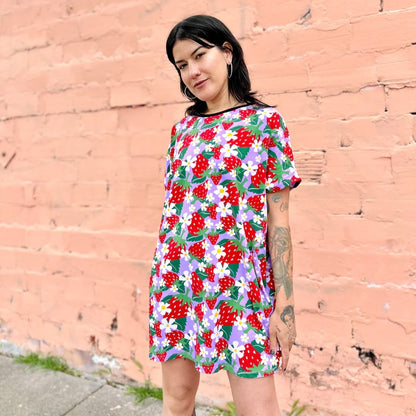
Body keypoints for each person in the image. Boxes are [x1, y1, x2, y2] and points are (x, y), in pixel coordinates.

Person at [148, 15, 301, 416]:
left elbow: (278, 224)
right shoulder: (182, 131)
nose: (193, 71)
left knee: (259, 409)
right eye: (182, 64)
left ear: (227, 52)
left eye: (200, 55)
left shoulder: (265, 124)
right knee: (177, 400)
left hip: (241, 288)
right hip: (177, 283)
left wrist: (283, 309)